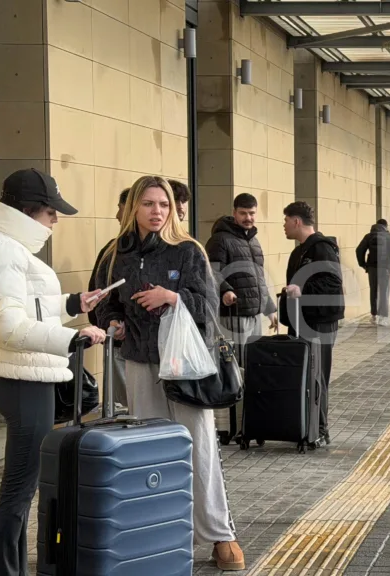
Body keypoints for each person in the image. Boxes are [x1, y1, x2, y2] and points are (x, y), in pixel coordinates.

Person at [94, 175, 244, 571]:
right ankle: (158, 534)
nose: (156, 211)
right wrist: (114, 322)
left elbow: (209, 306)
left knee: (200, 449)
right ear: (133, 209)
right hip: (140, 362)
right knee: (150, 453)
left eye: (162, 204)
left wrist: (172, 297)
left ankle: (219, 534)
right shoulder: (113, 254)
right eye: (147, 204)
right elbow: (102, 302)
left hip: (186, 366)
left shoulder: (188, 251)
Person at [0, 168, 107, 576]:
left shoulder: (5, 245)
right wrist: (73, 339)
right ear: (28, 212)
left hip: (27, 375)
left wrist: (72, 304)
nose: (55, 220)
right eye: (51, 212)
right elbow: (9, 327)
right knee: (17, 490)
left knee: (20, 488)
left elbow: (27, 308)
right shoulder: (2, 249)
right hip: (23, 378)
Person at [282, 201, 344, 446]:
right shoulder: (299, 251)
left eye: (285, 220)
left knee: (317, 376)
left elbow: (332, 284)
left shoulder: (322, 248)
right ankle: (305, 426)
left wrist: (302, 289)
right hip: (300, 321)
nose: (283, 226)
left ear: (296, 221)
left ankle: (319, 428)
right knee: (304, 375)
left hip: (320, 322)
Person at [205, 192, 278, 359]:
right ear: (234, 213)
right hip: (234, 313)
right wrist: (225, 290)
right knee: (236, 363)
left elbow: (259, 279)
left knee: (253, 361)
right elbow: (211, 271)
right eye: (243, 213)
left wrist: (269, 309)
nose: (248, 217)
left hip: (255, 315)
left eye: (252, 213)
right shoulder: (220, 240)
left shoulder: (253, 241)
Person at [88, 188, 131, 410]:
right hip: (121, 343)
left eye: (120, 209)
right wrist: (110, 322)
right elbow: (100, 295)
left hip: (161, 350)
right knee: (125, 412)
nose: (117, 215)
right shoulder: (113, 251)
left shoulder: (181, 250)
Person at [356, 218, 390, 326]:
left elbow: (359, 250)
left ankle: (374, 316)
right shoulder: (389, 237)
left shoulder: (369, 236)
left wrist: (363, 264)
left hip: (372, 267)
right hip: (385, 267)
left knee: (373, 290)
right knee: (384, 291)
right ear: (386, 226)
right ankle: (383, 318)